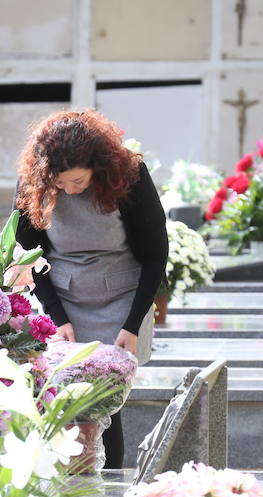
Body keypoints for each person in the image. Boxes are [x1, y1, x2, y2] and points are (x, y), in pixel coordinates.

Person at [13, 109, 168, 469]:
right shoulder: (34, 182)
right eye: (61, 183)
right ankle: (69, 482)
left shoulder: (129, 175)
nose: (69, 190)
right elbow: (27, 254)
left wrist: (132, 324)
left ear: (97, 166)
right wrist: (56, 316)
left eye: (78, 182)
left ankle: (109, 484)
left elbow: (156, 255)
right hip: (62, 295)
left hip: (123, 298)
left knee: (105, 401)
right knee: (65, 399)